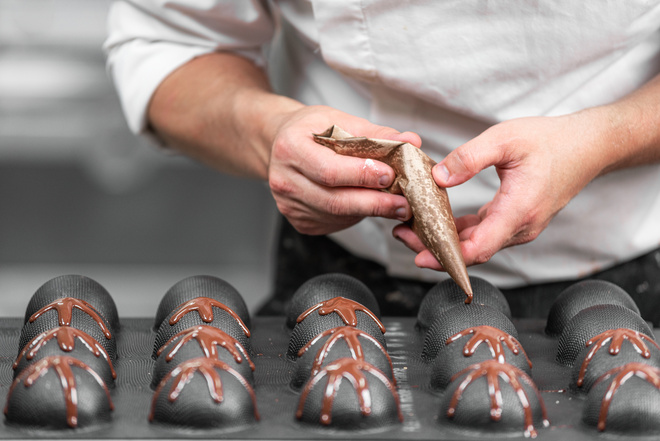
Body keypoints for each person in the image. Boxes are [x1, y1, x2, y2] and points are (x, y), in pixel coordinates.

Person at [104, 1, 660, 322]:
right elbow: (172, 44)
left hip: (623, 277)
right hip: (338, 274)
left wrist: (604, 138)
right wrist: (268, 130)